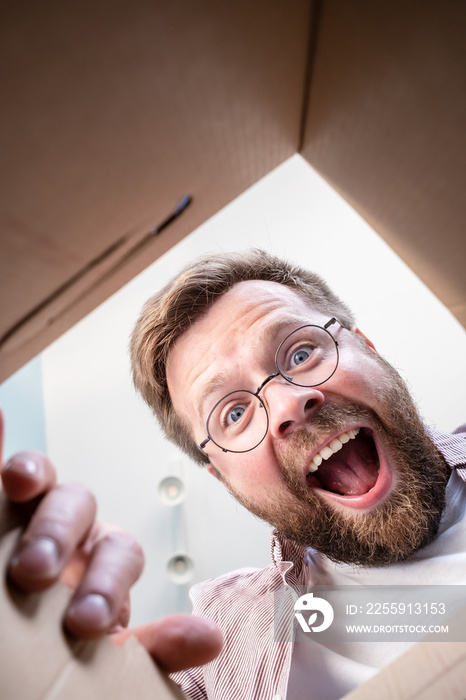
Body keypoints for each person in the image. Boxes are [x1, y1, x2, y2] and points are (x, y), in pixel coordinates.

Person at [1, 250, 465, 699]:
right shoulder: (220, 638)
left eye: (301, 353)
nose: (287, 405)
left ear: (366, 346)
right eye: (234, 412)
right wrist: (45, 651)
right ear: (221, 477)